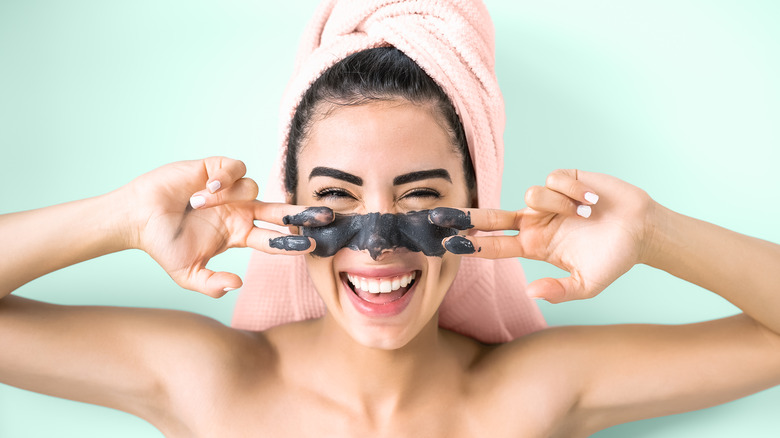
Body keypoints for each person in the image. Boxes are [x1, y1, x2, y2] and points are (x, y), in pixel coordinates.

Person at [2, 1, 779, 437]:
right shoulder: (212, 386)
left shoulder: (528, 396)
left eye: (419, 197)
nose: (377, 244)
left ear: (477, 203)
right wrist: (125, 216)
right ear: (284, 206)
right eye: (335, 198)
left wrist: (653, 234)